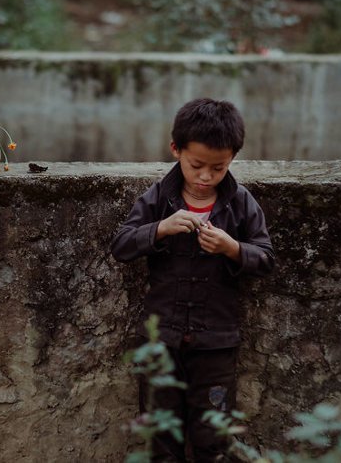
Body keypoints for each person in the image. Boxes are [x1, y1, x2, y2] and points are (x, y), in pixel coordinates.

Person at [110, 98, 275, 462]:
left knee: (213, 440)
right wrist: (160, 229)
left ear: (233, 158)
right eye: (196, 165)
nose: (205, 177)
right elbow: (121, 246)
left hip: (215, 343)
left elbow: (266, 259)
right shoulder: (157, 199)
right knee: (161, 440)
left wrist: (232, 248)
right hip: (161, 342)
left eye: (218, 168)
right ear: (176, 150)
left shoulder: (241, 204)